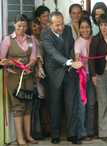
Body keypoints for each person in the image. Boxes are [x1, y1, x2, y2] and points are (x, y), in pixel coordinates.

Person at [40, 11, 83, 144]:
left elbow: (71, 47)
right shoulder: (45, 34)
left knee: (72, 105)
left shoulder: (68, 30)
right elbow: (52, 53)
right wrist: (70, 62)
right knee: (55, 105)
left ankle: (72, 134)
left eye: (62, 24)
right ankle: (55, 134)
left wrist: (74, 58)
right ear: (50, 24)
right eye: (57, 25)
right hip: (54, 74)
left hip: (69, 72)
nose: (61, 27)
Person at [0, 14, 38, 146]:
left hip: (27, 77)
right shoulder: (7, 40)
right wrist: (13, 62)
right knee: (18, 107)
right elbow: (2, 60)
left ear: (27, 26)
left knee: (28, 106)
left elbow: (33, 57)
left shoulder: (30, 40)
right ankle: (20, 138)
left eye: (24, 26)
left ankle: (28, 136)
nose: (21, 28)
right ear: (14, 25)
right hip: (13, 78)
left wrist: (31, 64)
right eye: (19, 26)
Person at [89, 14, 107, 142]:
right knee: (103, 103)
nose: (103, 28)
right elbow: (91, 59)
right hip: (101, 74)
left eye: (106, 25)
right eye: (101, 25)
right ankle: (104, 133)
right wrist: (93, 75)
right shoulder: (95, 39)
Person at [74, 17, 96, 140]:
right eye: (82, 27)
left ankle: (90, 131)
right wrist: (79, 59)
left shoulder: (94, 40)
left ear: (91, 27)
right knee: (82, 104)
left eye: (87, 27)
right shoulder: (78, 41)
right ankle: (82, 132)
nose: (85, 30)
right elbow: (77, 57)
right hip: (82, 76)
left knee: (92, 104)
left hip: (93, 75)